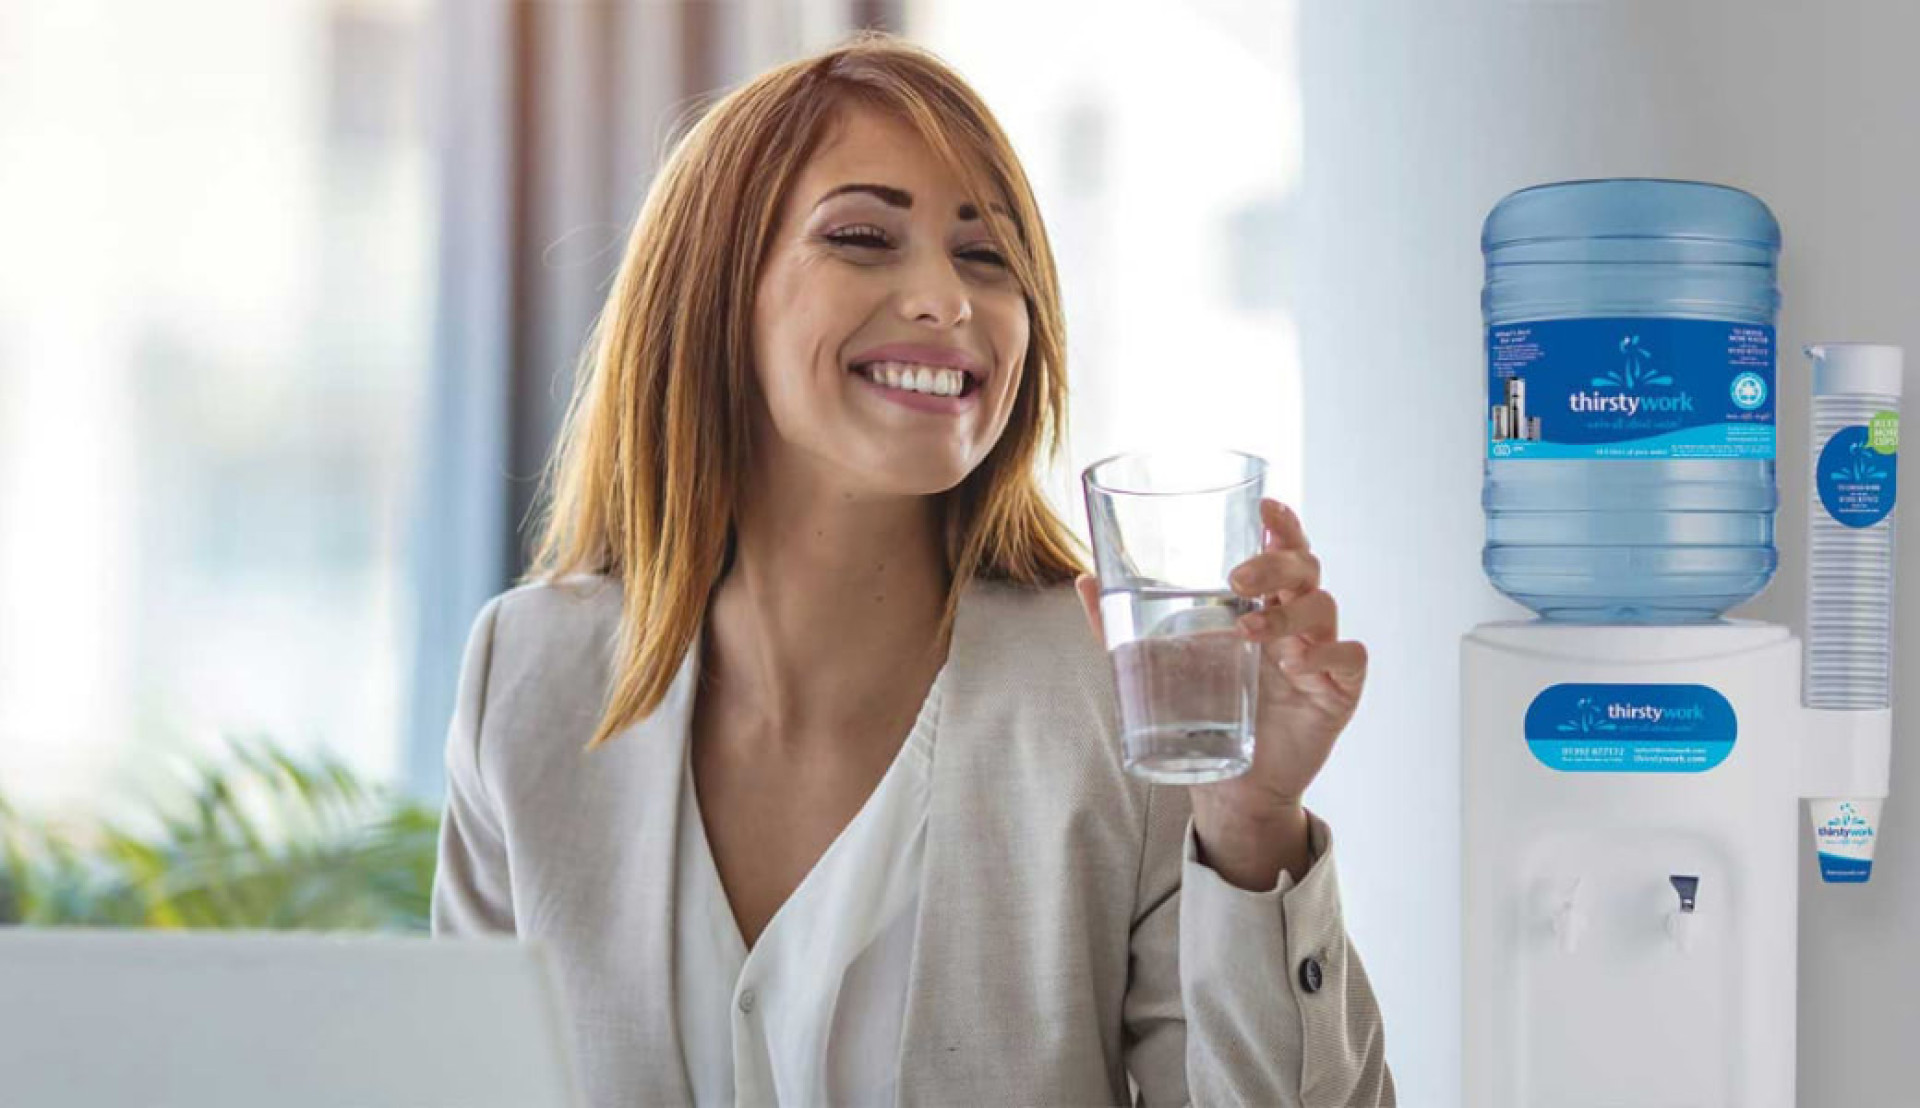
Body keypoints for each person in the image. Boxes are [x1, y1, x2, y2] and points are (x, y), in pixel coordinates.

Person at [431, 30, 1393, 1108]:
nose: (948, 299)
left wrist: (1251, 825)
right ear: (713, 294)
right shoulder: (528, 673)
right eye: (862, 236)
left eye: (987, 258)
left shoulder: (1118, 694)